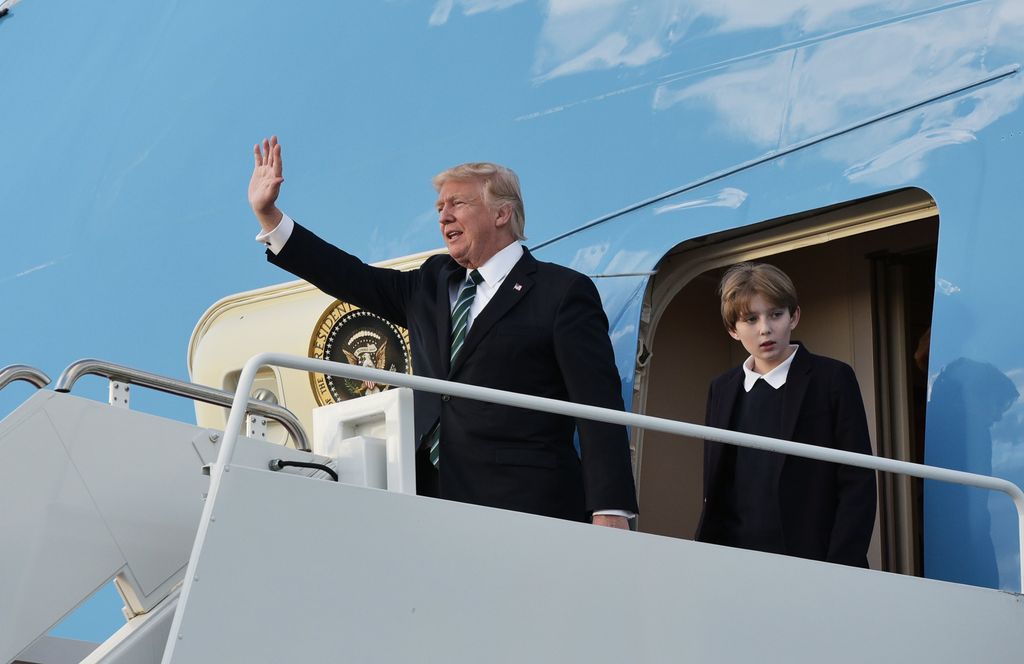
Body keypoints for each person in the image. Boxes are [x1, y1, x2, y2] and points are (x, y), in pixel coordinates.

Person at [247, 136, 637, 527]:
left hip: (527, 503)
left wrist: (610, 507)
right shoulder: (432, 284)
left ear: (502, 214)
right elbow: (350, 276)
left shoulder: (562, 292)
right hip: (429, 499)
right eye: (439, 207)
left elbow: (598, 407)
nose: (443, 216)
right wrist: (271, 219)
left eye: (458, 204)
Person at [694, 262, 876, 566]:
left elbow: (857, 481)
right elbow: (717, 483)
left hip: (815, 560)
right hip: (736, 560)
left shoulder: (832, 378)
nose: (765, 328)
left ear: (794, 316)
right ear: (732, 330)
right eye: (751, 319)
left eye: (775, 314)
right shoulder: (722, 389)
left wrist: (842, 565)